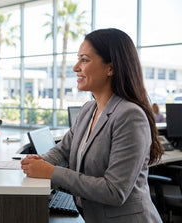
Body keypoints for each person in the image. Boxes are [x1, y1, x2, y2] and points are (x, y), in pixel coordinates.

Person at [21, 28, 163, 222]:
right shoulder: (89, 109)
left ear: (110, 68)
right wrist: (37, 161)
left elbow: (114, 191)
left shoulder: (130, 116)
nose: (75, 67)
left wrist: (50, 172)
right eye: (78, 58)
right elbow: (63, 150)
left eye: (84, 60)